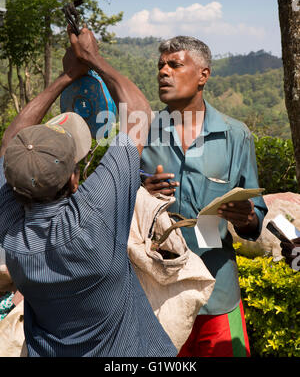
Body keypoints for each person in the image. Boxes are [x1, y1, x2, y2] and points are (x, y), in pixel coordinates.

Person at [0, 27, 177, 357]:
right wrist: (91, 59)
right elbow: (138, 112)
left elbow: (11, 143)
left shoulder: (12, 233)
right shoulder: (93, 214)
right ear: (72, 181)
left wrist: (67, 75)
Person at [141, 35, 268, 357]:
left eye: (174, 65)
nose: (164, 72)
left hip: (218, 292)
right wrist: (141, 195)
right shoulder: (141, 134)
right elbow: (113, 207)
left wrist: (248, 217)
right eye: (160, 66)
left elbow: (256, 218)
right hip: (158, 297)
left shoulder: (235, 135)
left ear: (203, 75)